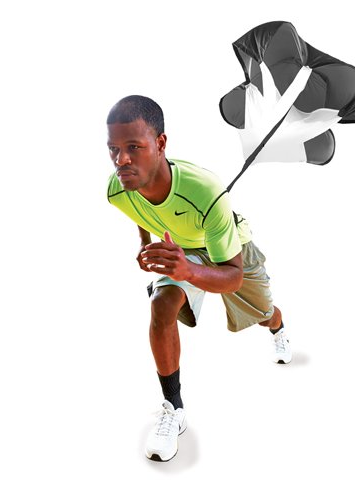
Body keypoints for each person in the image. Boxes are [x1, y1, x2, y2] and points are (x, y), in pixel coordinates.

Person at [106, 95, 292, 462]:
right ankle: (173, 409)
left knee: (263, 312)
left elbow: (233, 276)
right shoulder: (118, 190)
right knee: (161, 306)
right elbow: (138, 210)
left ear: (160, 143)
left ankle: (277, 328)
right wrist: (145, 244)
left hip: (230, 250)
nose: (121, 160)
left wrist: (189, 271)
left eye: (133, 147)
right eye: (113, 149)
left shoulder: (206, 191)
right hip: (181, 248)